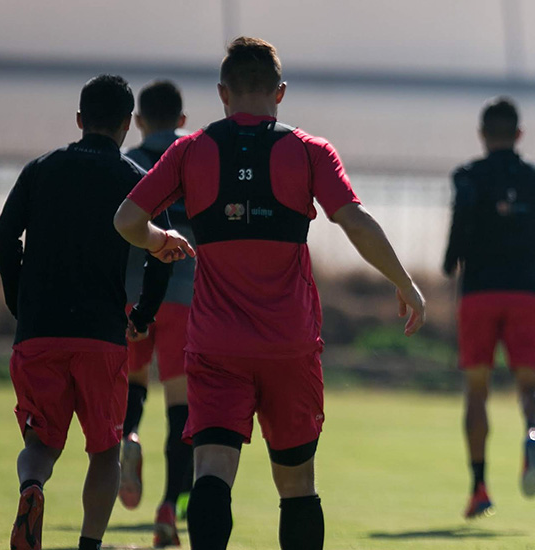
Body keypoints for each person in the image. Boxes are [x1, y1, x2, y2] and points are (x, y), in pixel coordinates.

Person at [113, 37, 426, 550]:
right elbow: (355, 221)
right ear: (279, 93)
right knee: (298, 484)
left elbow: (126, 218)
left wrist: (161, 239)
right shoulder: (309, 151)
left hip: (216, 346)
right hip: (290, 346)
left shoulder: (190, 151)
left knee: (213, 468)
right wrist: (404, 282)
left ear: (222, 93)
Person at [0, 74, 176, 550]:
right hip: (101, 334)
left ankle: (31, 488)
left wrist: (19, 300)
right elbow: (166, 248)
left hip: (39, 331)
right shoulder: (135, 179)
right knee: (104, 451)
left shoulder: (40, 169)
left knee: (40, 444)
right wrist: (143, 314)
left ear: (79, 120)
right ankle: (88, 545)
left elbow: (3, 236)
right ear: (124, 126)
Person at [443, 96, 535, 518]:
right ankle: (533, 432)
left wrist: (452, 257)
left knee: (476, 391)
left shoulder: (468, 175)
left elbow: (461, 217)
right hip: (525, 293)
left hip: (479, 291)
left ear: (483, 134)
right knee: (532, 388)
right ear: (519, 134)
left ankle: (479, 486)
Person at [117, 79, 196, 547]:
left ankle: (128, 437)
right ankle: (168, 507)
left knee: (134, 381)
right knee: (181, 404)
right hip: (185, 292)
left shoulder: (129, 163)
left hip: (133, 293)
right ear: (183, 121)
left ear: (139, 122)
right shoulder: (197, 157)